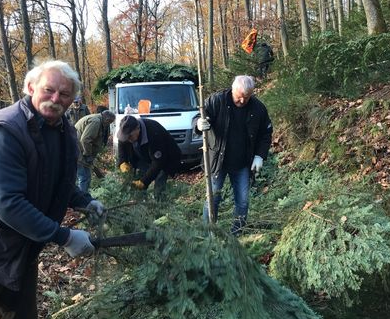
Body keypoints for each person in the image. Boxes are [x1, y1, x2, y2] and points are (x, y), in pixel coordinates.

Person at [0, 60, 104, 319]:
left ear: (73, 98)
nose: (55, 98)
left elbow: (54, 181)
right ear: (30, 87)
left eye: (64, 94)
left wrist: (85, 201)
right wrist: (65, 236)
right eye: (48, 90)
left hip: (20, 249)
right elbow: (9, 204)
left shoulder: (63, 131)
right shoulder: (4, 131)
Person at [195, 75, 273, 235]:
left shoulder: (258, 108)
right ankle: (207, 233)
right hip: (217, 161)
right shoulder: (216, 101)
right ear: (233, 90)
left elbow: (266, 133)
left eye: (247, 97)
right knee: (213, 199)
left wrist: (260, 155)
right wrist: (198, 124)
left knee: (243, 201)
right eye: (239, 97)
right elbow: (199, 117)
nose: (243, 101)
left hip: (242, 162)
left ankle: (236, 234)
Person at [116, 115, 181, 200]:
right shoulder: (126, 132)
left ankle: (161, 205)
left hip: (165, 159)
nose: (128, 139)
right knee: (138, 176)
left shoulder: (153, 132)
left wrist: (144, 182)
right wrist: (123, 162)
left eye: (130, 136)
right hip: (143, 155)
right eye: (126, 137)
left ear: (137, 129)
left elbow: (158, 162)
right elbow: (122, 145)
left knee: (159, 180)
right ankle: (141, 203)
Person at [75, 110, 116, 192]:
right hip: (78, 150)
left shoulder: (98, 119)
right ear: (107, 120)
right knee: (84, 177)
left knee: (85, 176)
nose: (109, 124)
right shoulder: (96, 122)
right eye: (110, 122)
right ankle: (81, 200)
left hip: (80, 149)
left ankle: (82, 196)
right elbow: (85, 140)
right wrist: (88, 154)